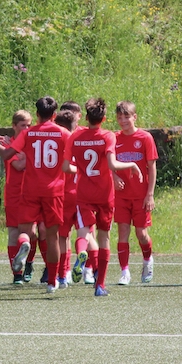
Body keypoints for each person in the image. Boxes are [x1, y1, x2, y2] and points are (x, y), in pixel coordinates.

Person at [63, 98, 143, 297]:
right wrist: (132, 164)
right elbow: (113, 164)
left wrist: (81, 170)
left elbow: (65, 167)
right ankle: (100, 286)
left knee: (84, 233)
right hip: (105, 194)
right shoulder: (108, 136)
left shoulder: (75, 136)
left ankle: (82, 254)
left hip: (84, 193)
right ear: (104, 119)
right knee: (104, 237)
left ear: (86, 117)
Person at [0, 96, 70, 294]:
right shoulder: (63, 133)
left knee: (24, 231)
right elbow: (73, 158)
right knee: (52, 237)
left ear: (36, 114)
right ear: (54, 115)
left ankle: (25, 244)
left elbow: (7, 155)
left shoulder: (28, 133)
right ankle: (52, 281)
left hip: (30, 190)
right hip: (53, 192)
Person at [113, 101, 158, 285]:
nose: (123, 121)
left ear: (134, 117)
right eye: (120, 117)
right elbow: (107, 163)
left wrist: (150, 194)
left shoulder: (145, 138)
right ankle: (125, 272)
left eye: (127, 117)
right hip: (121, 196)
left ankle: (148, 260)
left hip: (140, 195)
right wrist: (114, 176)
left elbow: (152, 167)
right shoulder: (114, 138)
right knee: (123, 232)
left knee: (141, 234)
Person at [0, 110, 32, 284]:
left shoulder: (32, 142)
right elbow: (18, 165)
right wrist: (31, 157)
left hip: (32, 193)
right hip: (13, 194)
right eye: (22, 125)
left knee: (32, 233)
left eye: (29, 125)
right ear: (14, 126)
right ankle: (17, 273)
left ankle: (29, 264)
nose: (26, 129)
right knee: (13, 233)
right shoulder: (9, 144)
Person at [54, 104, 82, 289]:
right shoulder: (80, 141)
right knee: (85, 233)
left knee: (62, 236)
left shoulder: (58, 144)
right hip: (81, 194)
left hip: (62, 194)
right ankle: (88, 266)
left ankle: (63, 274)